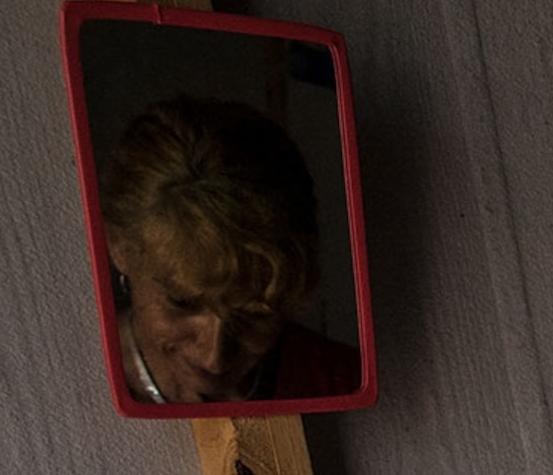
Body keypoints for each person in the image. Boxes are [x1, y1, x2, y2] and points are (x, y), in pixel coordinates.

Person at [97, 96, 358, 404]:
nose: (215, 359)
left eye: (255, 313)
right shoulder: (66, 380)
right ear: (119, 247)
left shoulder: (342, 382)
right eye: (182, 302)